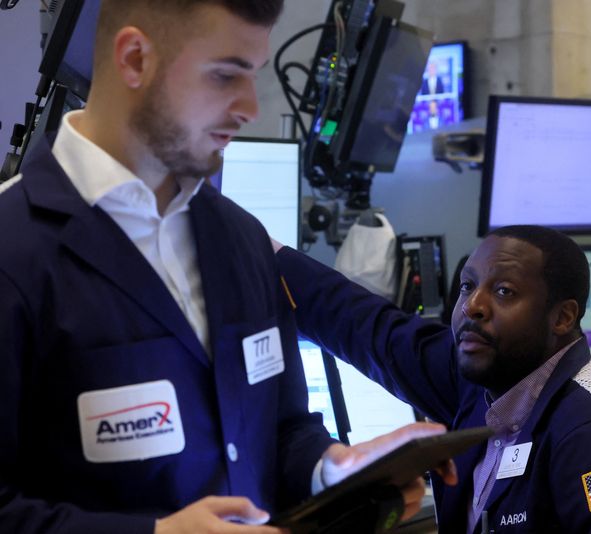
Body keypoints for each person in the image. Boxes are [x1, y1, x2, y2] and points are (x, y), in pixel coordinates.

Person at [0, 1, 451, 533]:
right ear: (134, 59)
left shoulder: (241, 239)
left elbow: (281, 430)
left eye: (254, 75)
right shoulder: (16, 251)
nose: (249, 107)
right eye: (225, 75)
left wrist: (334, 467)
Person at [274, 225, 591, 533]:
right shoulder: (487, 374)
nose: (473, 306)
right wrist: (252, 251)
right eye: (467, 286)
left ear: (563, 317)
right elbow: (367, 328)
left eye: (504, 291)